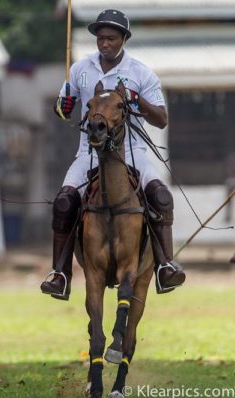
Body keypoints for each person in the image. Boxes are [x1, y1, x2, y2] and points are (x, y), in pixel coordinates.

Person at [40, 9, 186, 300]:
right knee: (64, 203)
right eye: (100, 38)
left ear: (123, 39)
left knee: (161, 197)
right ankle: (60, 273)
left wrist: (136, 99)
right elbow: (62, 110)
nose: (104, 43)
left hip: (131, 153)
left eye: (111, 38)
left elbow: (161, 118)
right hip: (89, 154)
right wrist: (63, 105)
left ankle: (165, 266)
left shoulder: (141, 73)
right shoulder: (79, 69)